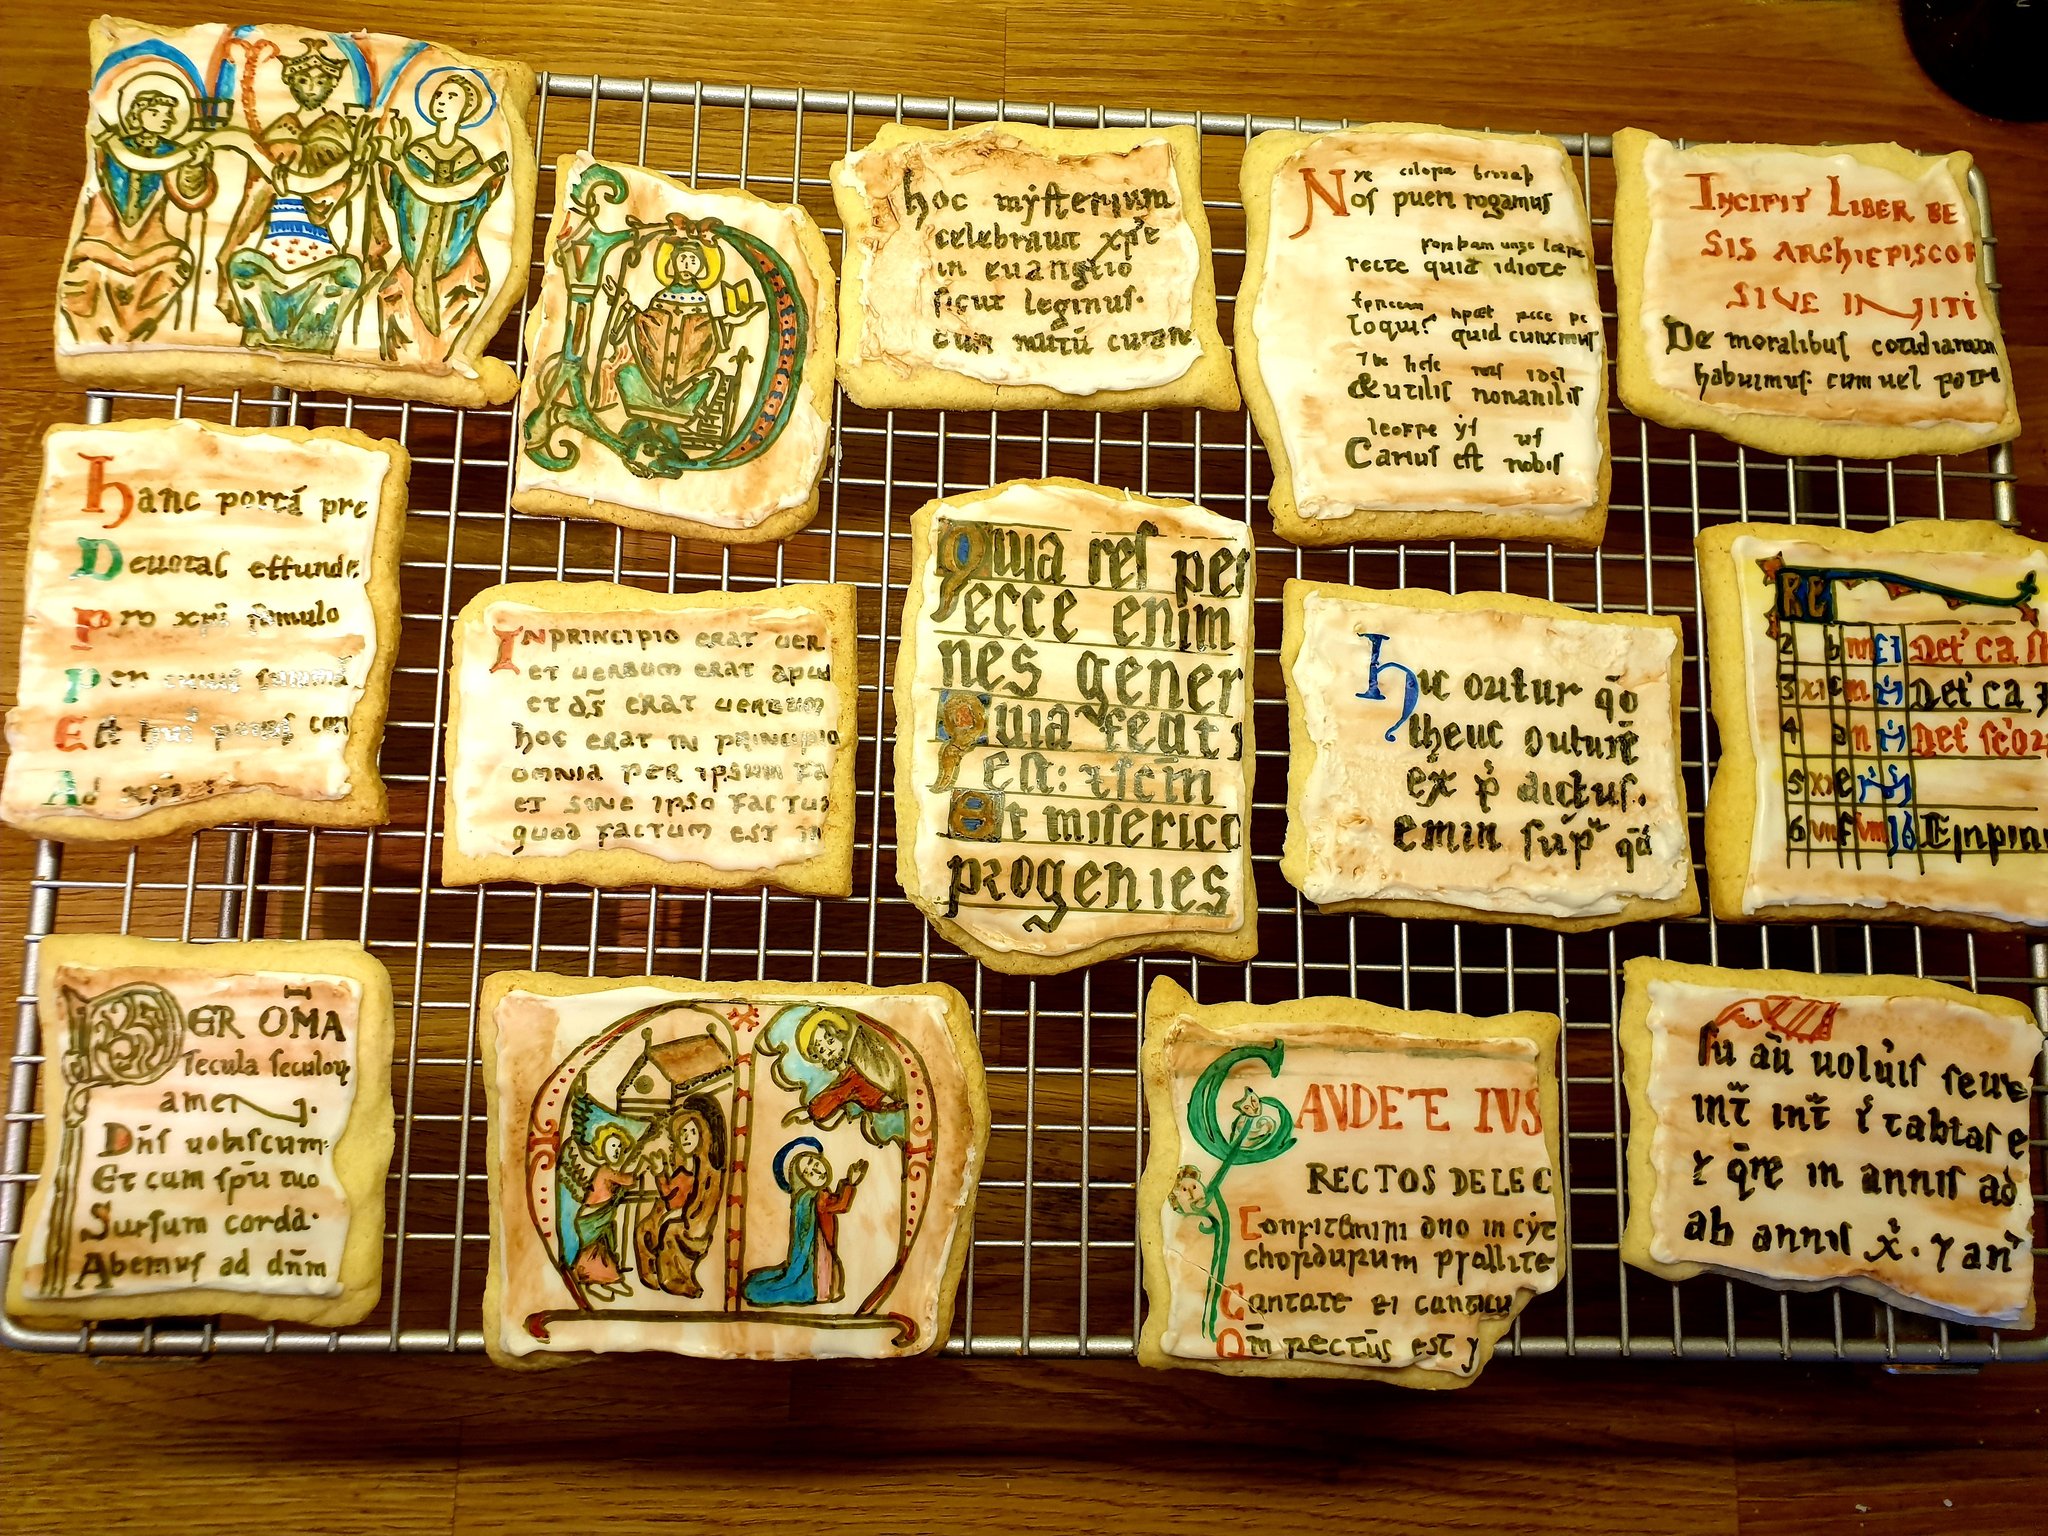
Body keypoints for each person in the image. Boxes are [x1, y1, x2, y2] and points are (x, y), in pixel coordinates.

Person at [61, 78, 218, 344]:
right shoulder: (110, 145)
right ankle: (92, 339)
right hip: (103, 239)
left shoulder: (174, 153)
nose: (165, 119)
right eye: (156, 113)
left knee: (168, 276)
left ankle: (128, 336)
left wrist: (194, 166)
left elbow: (189, 195)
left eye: (169, 114)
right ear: (137, 114)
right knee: (83, 283)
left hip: (152, 244)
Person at [376, 70, 508, 364]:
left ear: (466, 109)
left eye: (452, 96)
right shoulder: (415, 153)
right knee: (393, 300)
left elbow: (471, 199)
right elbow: (399, 195)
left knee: (462, 301)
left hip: (457, 259)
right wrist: (394, 164)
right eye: (439, 94)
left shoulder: (470, 158)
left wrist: (483, 178)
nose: (442, 100)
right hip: (413, 257)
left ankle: (441, 362)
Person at [741, 1138, 866, 1307]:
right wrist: (851, 1183)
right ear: (801, 1179)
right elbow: (841, 1206)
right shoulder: (814, 1197)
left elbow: (835, 1202)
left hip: (820, 1240)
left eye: (814, 1163)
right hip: (818, 1245)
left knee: (822, 1263)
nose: (816, 1171)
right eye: (809, 1173)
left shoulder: (812, 1195)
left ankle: (821, 1288)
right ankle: (818, 1290)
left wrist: (848, 1182)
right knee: (820, 1264)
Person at [633, 1105, 722, 1298]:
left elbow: (703, 1203)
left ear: (702, 1136)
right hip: (675, 1213)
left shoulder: (705, 1169)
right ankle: (650, 1275)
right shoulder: (681, 1165)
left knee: (669, 1231)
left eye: (692, 1132)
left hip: (694, 1223)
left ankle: (679, 1282)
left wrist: (679, 1215)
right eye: (683, 1133)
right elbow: (669, 1195)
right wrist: (659, 1173)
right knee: (643, 1229)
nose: (687, 1137)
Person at [780, 1008, 906, 1132]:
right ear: (819, 1058)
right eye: (821, 1050)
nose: (829, 1049)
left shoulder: (859, 1052)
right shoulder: (847, 1078)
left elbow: (840, 1095)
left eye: (830, 1041)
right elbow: (839, 1098)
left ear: (839, 1036)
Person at [566, 1126, 635, 1301]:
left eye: (619, 1147)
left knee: (600, 1250)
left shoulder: (609, 1170)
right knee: (593, 1251)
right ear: (603, 1150)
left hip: (598, 1217)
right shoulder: (605, 1171)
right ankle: (602, 1278)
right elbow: (627, 1180)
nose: (616, 1150)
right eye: (612, 1146)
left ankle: (601, 1280)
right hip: (591, 1218)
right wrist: (643, 1167)